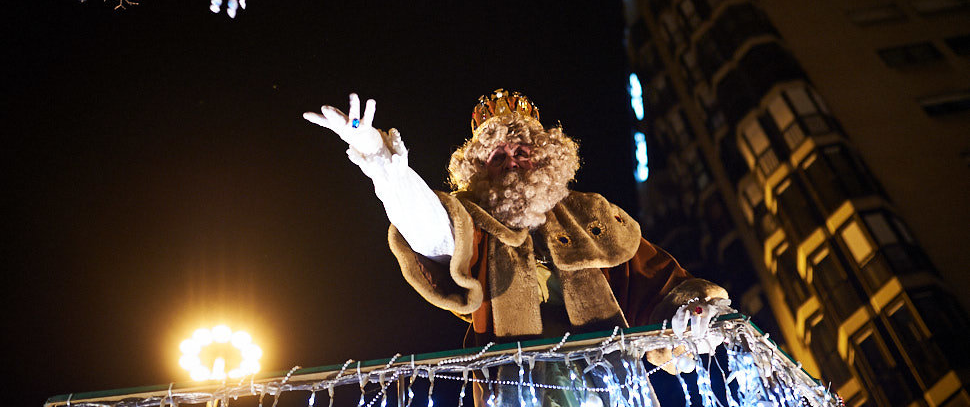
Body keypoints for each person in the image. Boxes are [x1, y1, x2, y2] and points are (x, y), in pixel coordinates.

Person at [304, 90, 728, 376]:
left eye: (522, 152)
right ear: (480, 168)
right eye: (498, 154)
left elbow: (658, 279)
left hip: (609, 382)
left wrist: (690, 312)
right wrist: (383, 167)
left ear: (543, 159)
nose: (511, 161)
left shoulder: (589, 213)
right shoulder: (472, 219)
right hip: (517, 387)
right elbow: (432, 231)